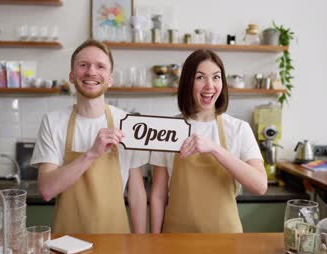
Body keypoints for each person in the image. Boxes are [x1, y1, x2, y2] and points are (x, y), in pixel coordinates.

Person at [31, 39, 148, 234]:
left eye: (100, 66)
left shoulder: (127, 123)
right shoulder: (53, 122)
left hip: (117, 241)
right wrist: (91, 154)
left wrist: (140, 243)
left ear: (110, 79)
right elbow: (46, 189)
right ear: (71, 75)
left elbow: (137, 193)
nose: (91, 72)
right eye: (83, 65)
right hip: (65, 244)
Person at [149, 49, 267, 233]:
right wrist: (154, 241)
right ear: (188, 82)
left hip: (226, 240)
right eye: (200, 77)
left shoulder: (238, 129)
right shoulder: (169, 129)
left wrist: (215, 149)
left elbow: (260, 185)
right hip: (175, 239)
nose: (209, 85)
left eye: (216, 77)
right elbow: (158, 194)